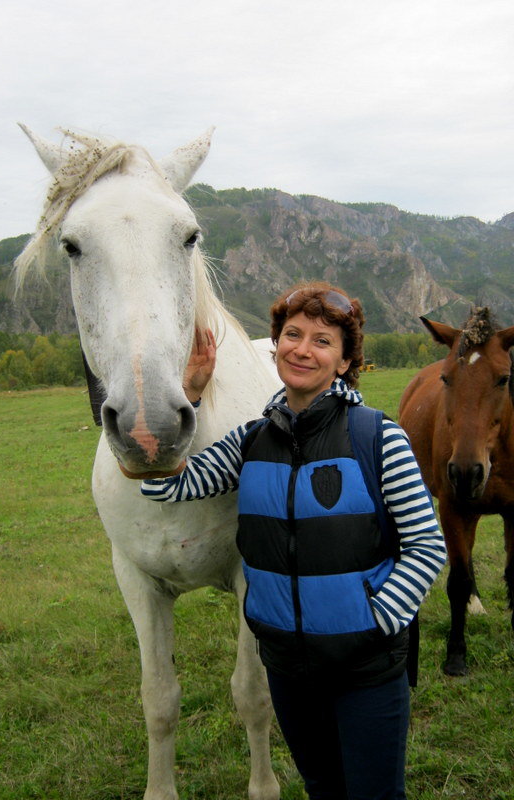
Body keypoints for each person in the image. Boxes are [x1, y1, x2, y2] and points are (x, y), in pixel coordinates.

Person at [139, 281, 446, 800]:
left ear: (345, 362)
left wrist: (374, 622)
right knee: (322, 787)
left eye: (322, 341)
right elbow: (162, 484)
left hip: (365, 669)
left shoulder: (377, 437)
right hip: (285, 667)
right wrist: (188, 395)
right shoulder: (251, 440)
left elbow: (426, 545)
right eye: (292, 334)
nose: (302, 348)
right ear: (275, 344)